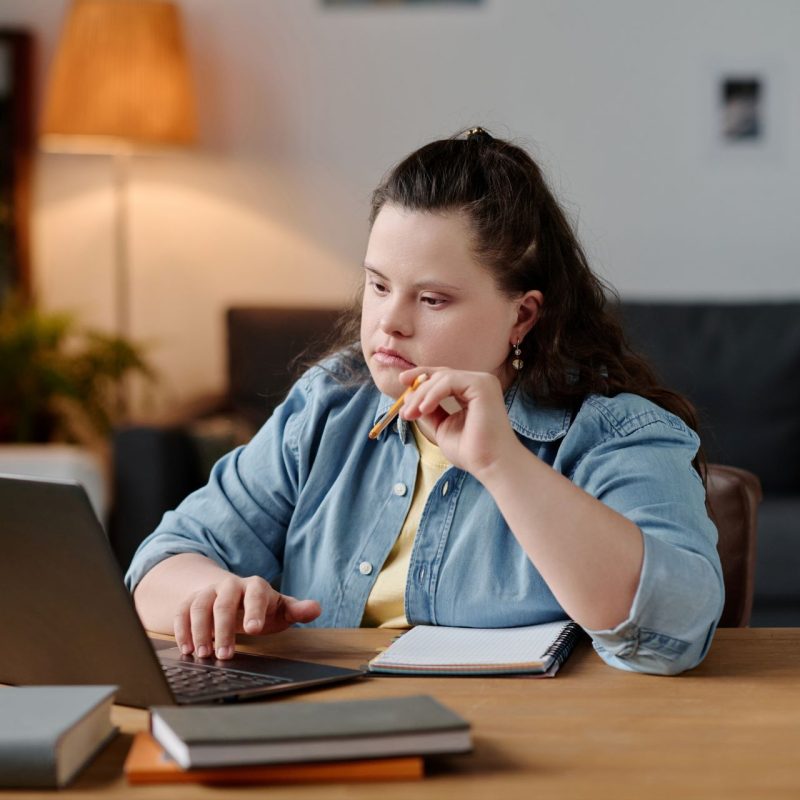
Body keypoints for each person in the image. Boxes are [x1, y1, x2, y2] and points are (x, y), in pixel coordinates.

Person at [127, 127, 723, 675]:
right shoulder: (329, 402)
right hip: (330, 730)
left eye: (432, 300)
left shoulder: (617, 432)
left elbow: (675, 633)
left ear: (522, 316)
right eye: (379, 285)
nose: (390, 322)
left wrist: (502, 463)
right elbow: (160, 563)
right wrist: (212, 597)